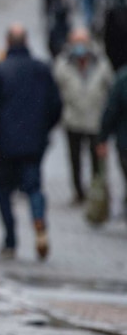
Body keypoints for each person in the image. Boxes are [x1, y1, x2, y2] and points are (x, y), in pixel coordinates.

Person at [0, 23, 63, 261]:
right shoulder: (42, 69)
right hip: (34, 143)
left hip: (5, 144)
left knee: (3, 189)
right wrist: (45, 130)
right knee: (33, 186)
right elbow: (56, 105)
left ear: (7, 43)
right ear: (26, 42)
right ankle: (38, 220)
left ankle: (10, 238)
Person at [53, 27, 113, 204]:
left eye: (82, 42)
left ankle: (97, 192)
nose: (80, 46)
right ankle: (78, 190)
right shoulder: (62, 64)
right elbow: (55, 92)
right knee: (75, 158)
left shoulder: (101, 63)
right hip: (73, 120)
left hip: (96, 120)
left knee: (96, 159)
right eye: (76, 42)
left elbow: (110, 89)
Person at [97, 64, 127, 219]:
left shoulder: (122, 78)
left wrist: (102, 138)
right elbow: (112, 111)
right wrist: (102, 138)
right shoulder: (122, 79)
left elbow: (111, 111)